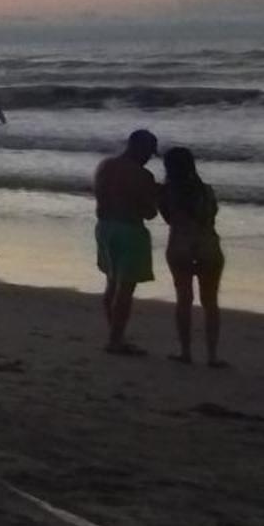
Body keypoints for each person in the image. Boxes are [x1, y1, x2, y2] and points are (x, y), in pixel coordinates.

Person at [91, 129, 160, 355]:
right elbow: (149, 213)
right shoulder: (142, 176)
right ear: (138, 148)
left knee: (111, 282)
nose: (150, 156)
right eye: (149, 151)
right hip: (129, 229)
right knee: (125, 288)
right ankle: (115, 340)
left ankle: (115, 334)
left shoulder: (105, 166)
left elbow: (99, 195)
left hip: (104, 227)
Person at [158, 146, 226, 367]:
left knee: (184, 300)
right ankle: (212, 355)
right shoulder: (207, 190)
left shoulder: (166, 192)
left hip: (181, 244)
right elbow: (212, 216)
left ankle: (185, 351)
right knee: (210, 302)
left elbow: (169, 219)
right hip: (208, 244)